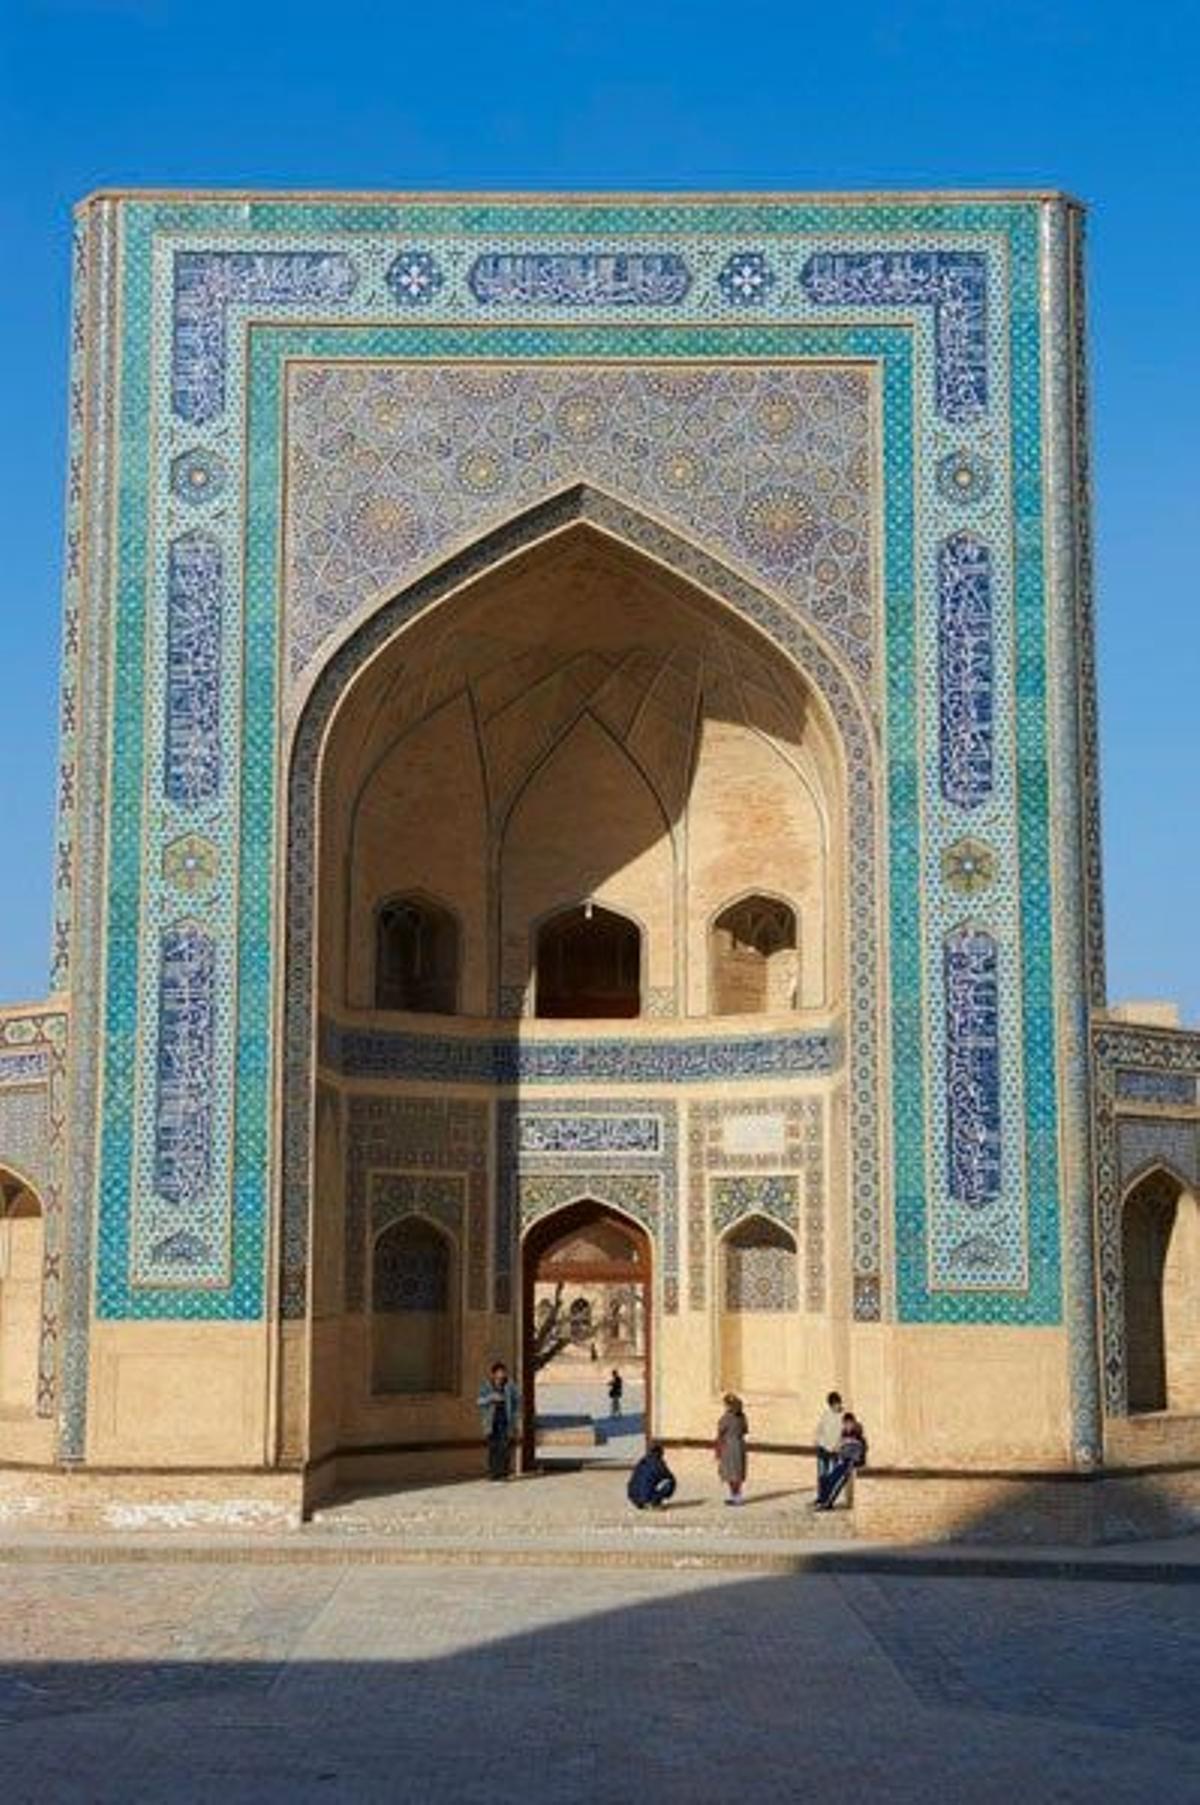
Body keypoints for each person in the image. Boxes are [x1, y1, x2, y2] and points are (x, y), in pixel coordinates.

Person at [815, 1411, 867, 1510]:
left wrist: (853, 1460)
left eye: (849, 1423)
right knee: (829, 1477)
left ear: (853, 1423)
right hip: (844, 1461)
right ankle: (823, 1500)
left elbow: (859, 1453)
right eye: (845, 1424)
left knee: (839, 1480)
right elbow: (841, 1449)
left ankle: (828, 1503)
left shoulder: (858, 1435)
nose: (847, 1426)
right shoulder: (844, 1434)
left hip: (852, 1463)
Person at [477, 1361, 520, 1481]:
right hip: (491, 1421)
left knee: (505, 1447)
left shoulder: (510, 1386)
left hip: (505, 1421)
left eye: (503, 1372)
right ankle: (493, 1473)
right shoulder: (486, 1386)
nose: (501, 1375)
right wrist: (491, 1398)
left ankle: (504, 1473)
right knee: (493, 1448)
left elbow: (517, 1401)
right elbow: (479, 1401)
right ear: (493, 1373)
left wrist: (516, 1418)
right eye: (499, 1372)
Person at [715, 1392, 749, 1504]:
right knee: (737, 1472)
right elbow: (745, 1430)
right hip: (739, 1445)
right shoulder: (742, 1417)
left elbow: (720, 1433)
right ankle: (737, 1496)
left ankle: (736, 1497)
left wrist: (718, 1450)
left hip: (728, 1446)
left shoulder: (726, 1417)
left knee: (731, 1473)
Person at [627, 1441, 677, 1511]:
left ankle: (644, 1501)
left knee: (647, 1480)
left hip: (634, 1498)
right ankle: (652, 1502)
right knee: (670, 1482)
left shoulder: (642, 1461)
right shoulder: (657, 1462)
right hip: (645, 1497)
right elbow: (668, 1476)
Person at [813, 1389, 844, 1497]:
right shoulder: (826, 1415)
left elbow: (843, 1435)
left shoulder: (843, 1417)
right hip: (823, 1449)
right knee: (822, 1475)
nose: (835, 1406)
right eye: (833, 1405)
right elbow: (819, 1429)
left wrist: (838, 1446)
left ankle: (829, 1498)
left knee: (832, 1476)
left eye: (837, 1404)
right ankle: (821, 1497)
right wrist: (817, 1440)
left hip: (834, 1451)